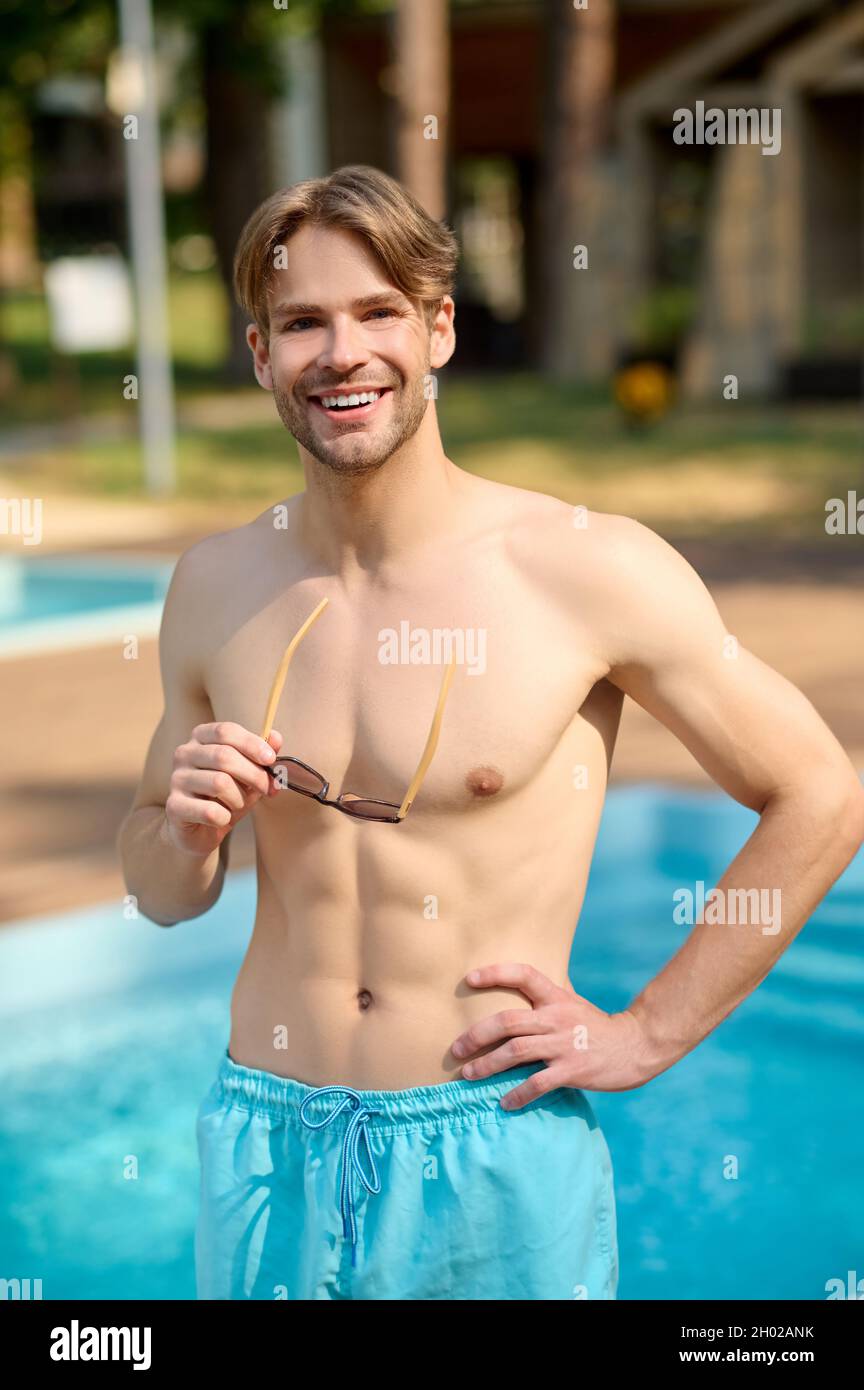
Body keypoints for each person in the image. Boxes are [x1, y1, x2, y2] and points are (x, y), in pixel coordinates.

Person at [118, 165, 864, 1301]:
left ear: (440, 330)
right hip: (265, 1137)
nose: (343, 353)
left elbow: (822, 790)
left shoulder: (582, 567)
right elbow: (164, 891)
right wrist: (184, 832)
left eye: (378, 313)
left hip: (493, 1142)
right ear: (262, 354)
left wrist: (649, 1030)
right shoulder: (217, 583)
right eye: (303, 323)